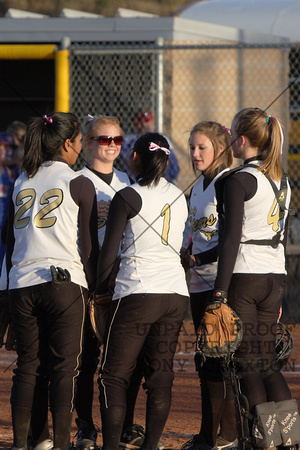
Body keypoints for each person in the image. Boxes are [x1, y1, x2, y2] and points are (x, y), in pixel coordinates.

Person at [5, 112, 99, 450]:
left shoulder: (21, 180)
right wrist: (95, 287)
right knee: (64, 367)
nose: (80, 149)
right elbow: (89, 248)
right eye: (78, 142)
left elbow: (10, 243)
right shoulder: (79, 181)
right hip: (64, 283)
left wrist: (7, 292)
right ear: (66, 145)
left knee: (28, 366)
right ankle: (60, 444)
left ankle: (23, 443)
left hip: (21, 283)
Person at [95, 132, 189, 450]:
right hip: (176, 293)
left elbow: (109, 254)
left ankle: (111, 445)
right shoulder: (179, 195)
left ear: (135, 158)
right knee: (160, 375)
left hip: (139, 290)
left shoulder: (127, 196)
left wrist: (97, 288)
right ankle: (150, 445)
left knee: (113, 374)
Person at [213, 107, 300, 448]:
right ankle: (289, 440)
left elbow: (231, 239)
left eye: (233, 135)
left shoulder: (239, 180)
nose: (231, 141)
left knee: (248, 363)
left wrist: (219, 293)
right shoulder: (283, 181)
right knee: (267, 363)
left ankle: (262, 441)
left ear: (243, 140)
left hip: (245, 276)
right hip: (274, 277)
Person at [74, 114, 131, 450]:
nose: (111, 146)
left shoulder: (126, 181)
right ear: (89, 144)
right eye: (104, 139)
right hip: (86, 278)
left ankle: (119, 424)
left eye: (117, 140)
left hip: (120, 280)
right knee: (85, 358)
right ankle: (85, 426)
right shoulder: (77, 180)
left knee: (120, 359)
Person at [180, 122, 237, 450]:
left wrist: (200, 261)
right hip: (198, 283)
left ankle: (215, 435)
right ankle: (223, 434)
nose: (195, 153)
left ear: (220, 148)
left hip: (219, 281)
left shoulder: (225, 182)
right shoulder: (199, 186)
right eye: (192, 147)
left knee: (215, 359)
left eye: (202, 147)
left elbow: (232, 238)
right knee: (208, 360)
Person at [119, 109, 180, 184]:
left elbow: (174, 168)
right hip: (133, 182)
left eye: (147, 121)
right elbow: (127, 159)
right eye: (141, 122)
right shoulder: (129, 140)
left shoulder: (162, 140)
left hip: (157, 182)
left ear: (153, 120)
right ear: (135, 123)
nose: (144, 125)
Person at [0, 132, 19, 271]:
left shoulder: (16, 175)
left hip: (6, 232)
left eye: (11, 148)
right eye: (4, 147)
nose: (9, 152)